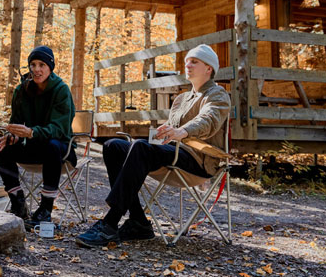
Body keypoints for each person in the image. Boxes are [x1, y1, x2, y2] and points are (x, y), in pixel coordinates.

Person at [76, 44, 231, 247]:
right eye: (187, 61)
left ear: (208, 68)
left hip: (198, 159)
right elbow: (173, 128)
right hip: (174, 153)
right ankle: (139, 222)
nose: (188, 65)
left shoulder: (217, 95)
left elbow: (209, 119)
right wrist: (165, 130)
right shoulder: (182, 99)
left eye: (194, 61)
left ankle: (110, 223)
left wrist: (183, 131)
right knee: (113, 146)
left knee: (140, 147)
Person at [0, 45, 77, 226]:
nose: (37, 69)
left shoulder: (61, 90)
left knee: (52, 145)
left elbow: (59, 129)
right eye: (33, 64)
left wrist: (32, 132)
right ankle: (17, 202)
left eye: (42, 65)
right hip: (32, 147)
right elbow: (16, 123)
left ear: (50, 66)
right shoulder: (21, 90)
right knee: (0, 147)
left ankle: (45, 209)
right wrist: (12, 135)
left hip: (60, 151)